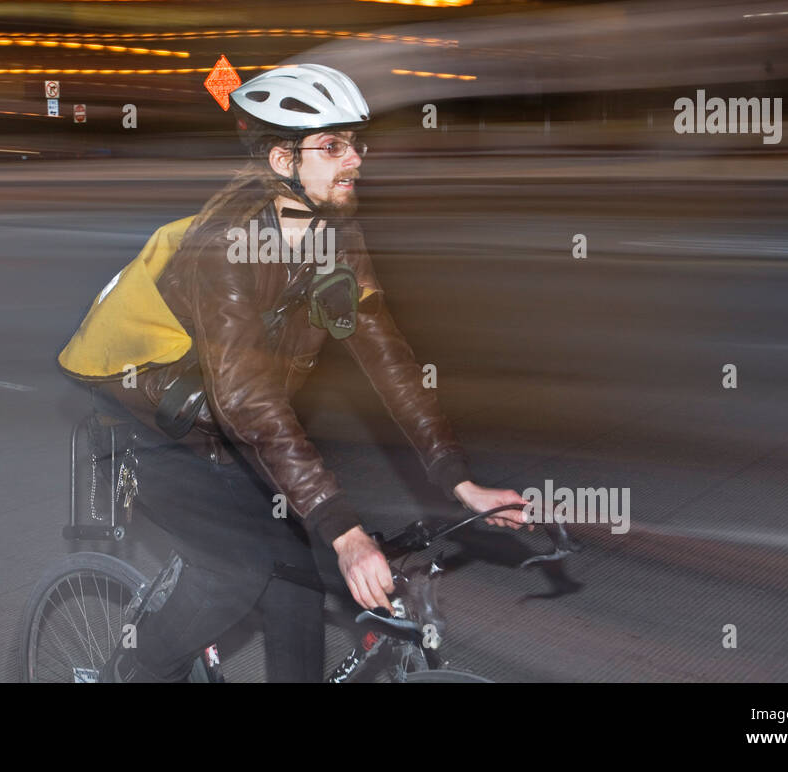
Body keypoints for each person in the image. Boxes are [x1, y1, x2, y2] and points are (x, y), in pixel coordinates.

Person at [58, 62, 529, 682]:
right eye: (332, 146)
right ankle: (133, 671)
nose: (355, 160)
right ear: (283, 162)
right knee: (236, 572)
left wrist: (456, 478)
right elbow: (248, 398)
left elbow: (387, 360)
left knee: (299, 577)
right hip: (151, 428)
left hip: (229, 431)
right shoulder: (223, 248)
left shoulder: (336, 238)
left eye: (357, 143)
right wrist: (343, 530)